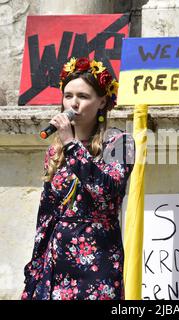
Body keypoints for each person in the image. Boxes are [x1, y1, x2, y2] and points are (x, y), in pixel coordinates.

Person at [21, 57, 135, 300]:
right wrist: (35, 267)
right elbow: (46, 213)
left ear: (102, 101)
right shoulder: (56, 149)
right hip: (56, 260)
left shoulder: (120, 142)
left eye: (83, 96)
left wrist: (72, 144)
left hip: (98, 260)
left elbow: (106, 191)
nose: (73, 103)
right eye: (68, 95)